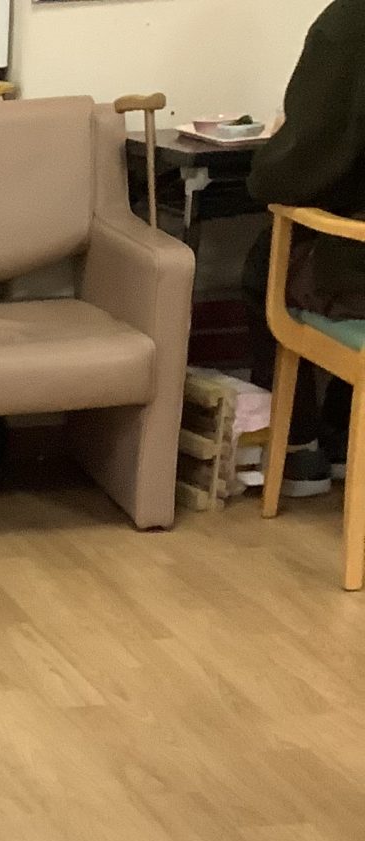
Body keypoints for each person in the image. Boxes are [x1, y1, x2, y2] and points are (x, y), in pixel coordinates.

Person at [242, 0, 364, 495]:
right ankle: (343, 431)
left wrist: (269, 159)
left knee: (265, 267)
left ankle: (298, 445)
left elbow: (301, 165)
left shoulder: (350, 22)